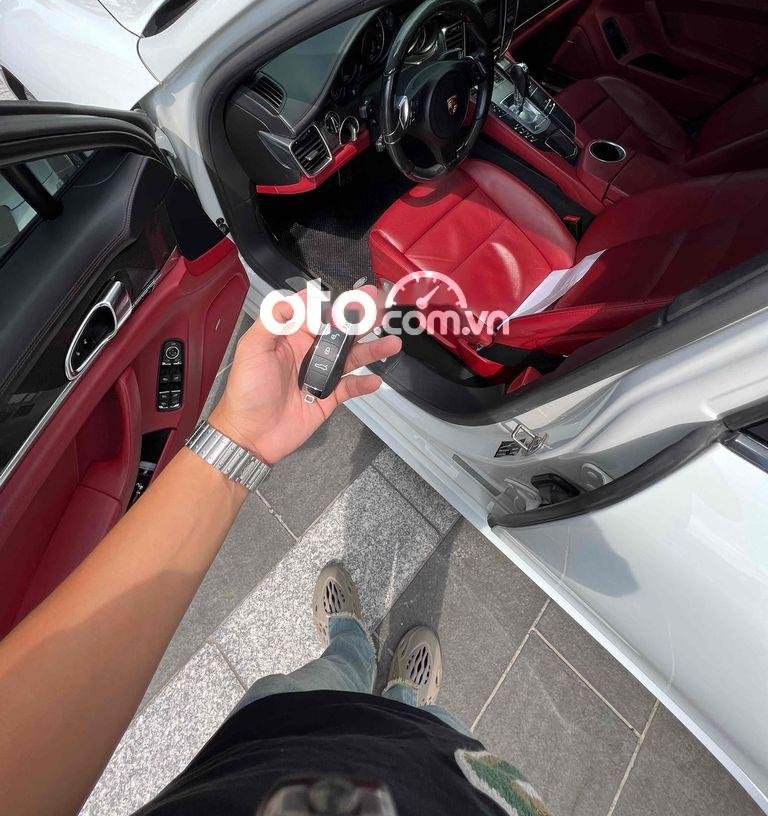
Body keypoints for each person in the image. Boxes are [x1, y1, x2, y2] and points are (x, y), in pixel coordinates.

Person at [0, 287, 550, 816]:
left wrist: (239, 436)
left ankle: (352, 646)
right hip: (443, 782)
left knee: (318, 683)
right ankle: (406, 696)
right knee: (411, 725)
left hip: (267, 746)